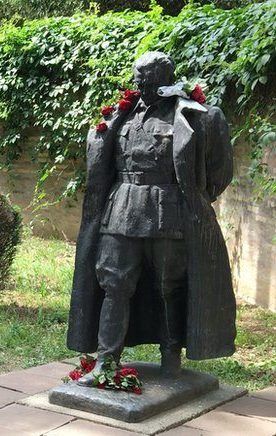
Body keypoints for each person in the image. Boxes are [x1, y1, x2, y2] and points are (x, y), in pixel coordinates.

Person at [67, 51, 237, 385]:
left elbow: (220, 171)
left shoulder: (196, 115)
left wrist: (192, 199)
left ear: (165, 78)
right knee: (113, 283)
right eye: (138, 77)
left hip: (168, 213)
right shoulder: (121, 114)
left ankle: (171, 356)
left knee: (168, 285)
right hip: (120, 209)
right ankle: (106, 361)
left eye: (147, 77)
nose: (140, 83)